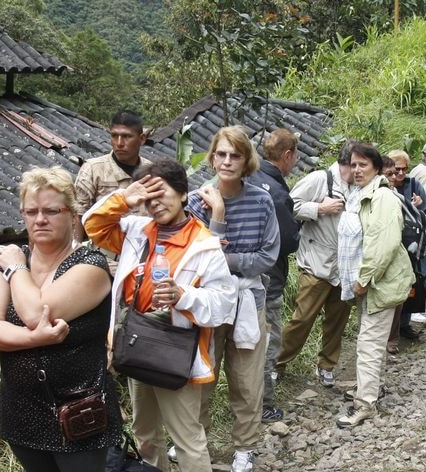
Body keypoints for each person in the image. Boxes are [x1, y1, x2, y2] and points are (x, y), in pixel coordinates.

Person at [83, 158, 236, 472]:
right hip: (137, 344)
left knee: (187, 438)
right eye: (148, 198)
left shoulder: (204, 245)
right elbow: (92, 225)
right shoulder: (135, 230)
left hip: (175, 351)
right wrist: (126, 199)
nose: (154, 204)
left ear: (182, 194)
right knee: (145, 433)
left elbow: (223, 304)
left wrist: (184, 296)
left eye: (161, 193)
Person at [0, 167, 122, 472]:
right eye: (31, 211)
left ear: (72, 215)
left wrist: (16, 269)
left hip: (79, 412)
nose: (39, 219)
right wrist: (37, 339)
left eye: (51, 211)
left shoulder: (90, 266)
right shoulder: (8, 260)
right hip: (23, 410)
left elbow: (35, 313)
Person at [186, 126, 280, 472]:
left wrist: (227, 260)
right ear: (212, 157)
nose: (227, 161)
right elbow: (196, 259)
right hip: (207, 303)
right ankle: (195, 442)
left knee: (247, 380)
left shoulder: (261, 200)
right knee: (201, 378)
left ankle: (245, 447)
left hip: (247, 301)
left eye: (235, 155)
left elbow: (267, 256)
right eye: (221, 154)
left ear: (246, 161)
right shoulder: (198, 201)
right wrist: (218, 218)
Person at [337, 143, 414, 428]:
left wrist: (363, 279)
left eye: (363, 165)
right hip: (369, 283)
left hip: (378, 283)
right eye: (354, 165)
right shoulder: (361, 194)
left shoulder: (382, 198)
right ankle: (368, 388)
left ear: (378, 168)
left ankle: (365, 404)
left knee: (368, 343)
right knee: (370, 340)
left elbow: (383, 245)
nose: (357, 170)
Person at [276, 142, 354, 387]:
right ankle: (277, 363)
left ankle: (327, 365)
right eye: (358, 164)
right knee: (302, 318)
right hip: (316, 263)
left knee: (337, 319)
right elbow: (289, 205)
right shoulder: (320, 179)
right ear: (347, 162)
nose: (362, 169)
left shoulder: (360, 186)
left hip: (345, 266)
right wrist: (319, 208)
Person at [244, 129, 301, 424]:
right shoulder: (276, 193)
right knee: (267, 342)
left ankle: (247, 400)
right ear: (288, 155)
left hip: (240, 278)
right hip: (269, 279)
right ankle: (263, 404)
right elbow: (288, 241)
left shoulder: (248, 179)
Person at [74, 111, 152, 244]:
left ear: (142, 139)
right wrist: (75, 251)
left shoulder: (152, 171)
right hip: (105, 257)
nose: (119, 143)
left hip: (145, 254)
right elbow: (77, 216)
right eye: (114, 136)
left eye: (127, 136)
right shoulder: (93, 169)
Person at [386, 149, 426, 340]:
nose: (400, 174)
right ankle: (390, 330)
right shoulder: (383, 187)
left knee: (411, 285)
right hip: (391, 244)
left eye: (404, 169)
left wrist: (417, 207)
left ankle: (404, 324)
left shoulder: (414, 185)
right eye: (396, 170)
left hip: (411, 244)